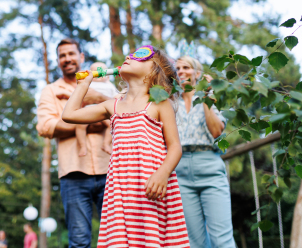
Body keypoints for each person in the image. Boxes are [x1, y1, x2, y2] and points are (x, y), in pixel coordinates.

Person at [62, 45, 190, 247]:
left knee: (152, 237)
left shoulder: (159, 103)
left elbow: (175, 147)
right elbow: (69, 115)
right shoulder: (113, 105)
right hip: (121, 190)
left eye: (140, 55)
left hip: (151, 185)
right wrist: (83, 85)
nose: (129, 56)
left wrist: (162, 173)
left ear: (153, 69)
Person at [36, 38, 110, 248]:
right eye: (62, 55)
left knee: (118, 237)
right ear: (58, 61)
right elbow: (45, 126)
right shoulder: (51, 91)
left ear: (81, 57)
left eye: (71, 54)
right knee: (79, 241)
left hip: (110, 169)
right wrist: (88, 123)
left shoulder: (100, 85)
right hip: (74, 173)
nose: (67, 59)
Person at [174, 55, 236, 247]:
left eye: (186, 67)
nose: (181, 71)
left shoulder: (214, 97)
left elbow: (217, 130)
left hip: (209, 165)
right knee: (193, 241)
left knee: (221, 239)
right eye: (177, 68)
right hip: (180, 171)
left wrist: (208, 96)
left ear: (198, 73)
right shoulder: (170, 102)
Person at [75, 62, 117, 156]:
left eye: (102, 71)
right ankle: (82, 146)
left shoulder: (109, 85)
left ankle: (106, 143)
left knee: (112, 124)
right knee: (80, 126)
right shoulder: (88, 84)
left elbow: (116, 97)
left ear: (108, 76)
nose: (98, 73)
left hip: (104, 112)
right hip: (88, 110)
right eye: (95, 71)